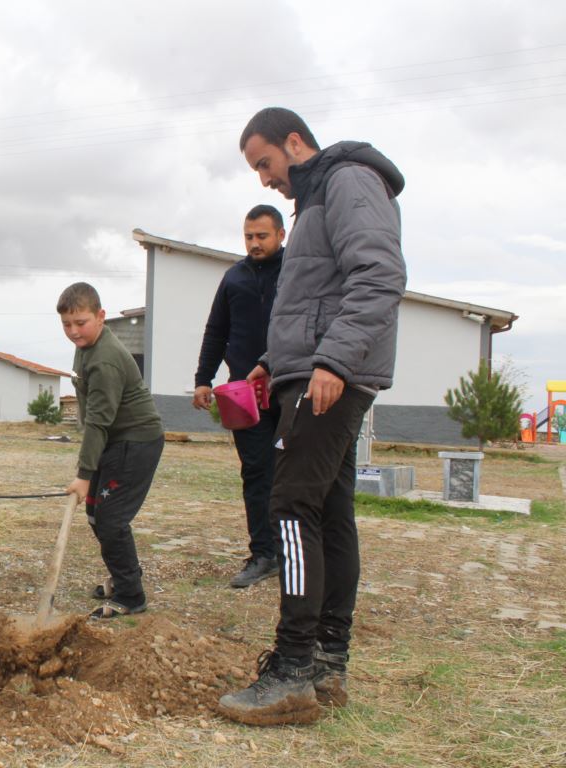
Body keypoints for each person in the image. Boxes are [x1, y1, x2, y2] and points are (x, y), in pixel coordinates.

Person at [217, 108, 406, 725]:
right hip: (314, 371)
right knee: (328, 510)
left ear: (294, 142)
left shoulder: (349, 181)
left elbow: (379, 277)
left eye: (265, 164)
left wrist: (331, 361)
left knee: (290, 506)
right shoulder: (318, 198)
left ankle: (294, 669)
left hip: (332, 379)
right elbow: (316, 296)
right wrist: (276, 360)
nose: (265, 180)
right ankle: (327, 661)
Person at [59, 282, 164, 618]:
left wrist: (84, 475)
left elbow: (98, 423)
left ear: (101, 316)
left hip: (136, 442)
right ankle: (123, 578)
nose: (74, 332)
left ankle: (131, 595)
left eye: (81, 323)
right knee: (96, 514)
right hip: (115, 441)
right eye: (67, 324)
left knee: (111, 519)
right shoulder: (87, 345)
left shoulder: (105, 360)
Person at [193, 205, 286, 588]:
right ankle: (263, 554)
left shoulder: (298, 272)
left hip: (291, 386)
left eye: (262, 236)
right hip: (244, 394)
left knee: (293, 473)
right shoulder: (234, 278)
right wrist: (203, 379)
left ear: (281, 235)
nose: (254, 243)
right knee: (256, 472)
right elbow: (216, 331)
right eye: (248, 236)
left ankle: (296, 554)